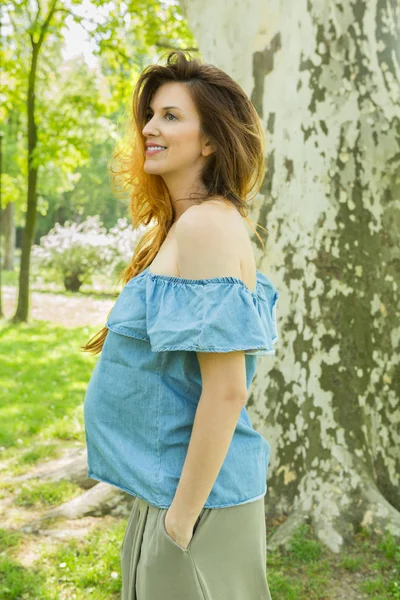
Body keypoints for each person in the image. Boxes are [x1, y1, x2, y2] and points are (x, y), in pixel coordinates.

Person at [82, 50, 279, 600]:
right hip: (173, 495)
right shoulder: (195, 225)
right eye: (150, 115)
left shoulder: (206, 230)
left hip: (193, 505)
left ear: (211, 140)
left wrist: (180, 520)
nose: (149, 127)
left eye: (171, 116)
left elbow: (227, 388)